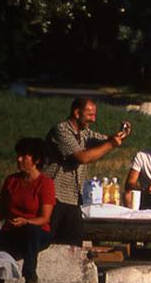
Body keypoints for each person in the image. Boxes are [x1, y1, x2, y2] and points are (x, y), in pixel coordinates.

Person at [43, 97, 128, 244]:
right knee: (47, 242)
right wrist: (111, 144)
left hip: (74, 198)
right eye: (90, 115)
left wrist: (119, 135)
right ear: (77, 113)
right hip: (55, 196)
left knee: (73, 245)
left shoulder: (85, 133)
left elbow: (104, 140)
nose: (93, 119)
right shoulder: (61, 130)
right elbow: (82, 157)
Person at [0, 138, 55, 283]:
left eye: (23, 156)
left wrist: (26, 221)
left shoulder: (45, 184)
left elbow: (44, 218)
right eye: (18, 155)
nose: (18, 159)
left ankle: (30, 275)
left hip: (36, 232)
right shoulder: (11, 181)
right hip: (12, 230)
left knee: (31, 231)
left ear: (36, 160)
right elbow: (3, 211)